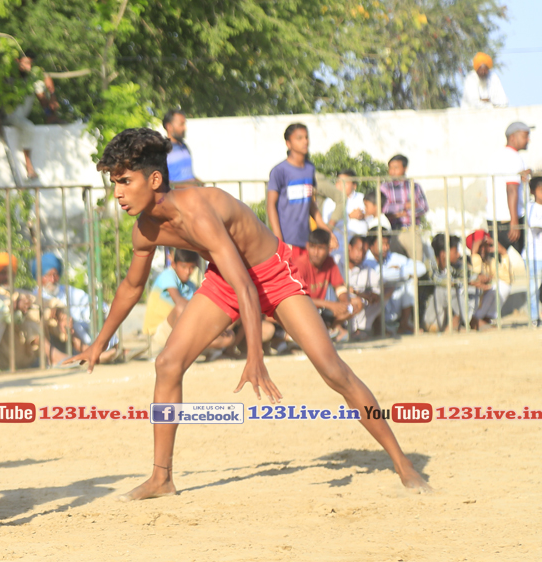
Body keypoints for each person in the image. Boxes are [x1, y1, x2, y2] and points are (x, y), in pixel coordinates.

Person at [66, 127, 430, 499]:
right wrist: (98, 343)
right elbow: (131, 287)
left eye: (125, 181)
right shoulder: (145, 230)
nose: (118, 192)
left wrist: (255, 355)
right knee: (168, 363)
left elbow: (247, 286)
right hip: (226, 279)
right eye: (114, 183)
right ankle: (162, 478)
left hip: (273, 275)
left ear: (154, 179)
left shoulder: (198, 212)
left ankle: (403, 463)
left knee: (333, 371)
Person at [34, 251, 121, 363]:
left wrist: (96, 312)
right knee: (67, 322)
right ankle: (91, 354)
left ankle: (116, 350)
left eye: (55, 275)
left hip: (82, 330)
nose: (52, 279)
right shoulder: (35, 295)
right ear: (39, 278)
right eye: (47, 276)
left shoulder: (66, 290)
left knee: (99, 314)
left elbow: (89, 301)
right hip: (61, 336)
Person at [295, 228, 363, 339]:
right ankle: (326, 332)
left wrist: (345, 303)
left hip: (320, 310)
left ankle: (331, 329)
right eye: (312, 247)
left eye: (320, 248)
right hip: (303, 311)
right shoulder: (300, 264)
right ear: (307, 246)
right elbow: (298, 298)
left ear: (328, 249)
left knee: (357, 303)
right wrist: (329, 305)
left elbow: (340, 288)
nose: (316, 252)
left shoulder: (329, 262)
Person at [266, 123, 319, 260]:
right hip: (287, 241)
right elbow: (271, 205)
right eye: (299, 138)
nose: (305, 141)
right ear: (288, 143)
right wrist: (279, 239)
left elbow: (310, 203)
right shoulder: (279, 171)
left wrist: (323, 227)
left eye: (306, 137)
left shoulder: (310, 169)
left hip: (306, 241)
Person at [5, 52, 56, 181]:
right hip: (8, 116)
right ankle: (29, 165)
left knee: (39, 83)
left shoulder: (31, 80)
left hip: (20, 118)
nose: (28, 67)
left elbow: (43, 90)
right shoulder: (9, 76)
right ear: (17, 61)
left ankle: (51, 116)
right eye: (26, 63)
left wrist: (52, 97)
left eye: (30, 64)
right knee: (29, 127)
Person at [485, 121, 530, 255]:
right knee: (513, 263)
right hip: (509, 221)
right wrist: (514, 222)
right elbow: (511, 190)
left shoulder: (499, 155)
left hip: (498, 218)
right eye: (525, 136)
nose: (528, 140)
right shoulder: (513, 158)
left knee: (501, 262)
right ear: (512, 138)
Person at [373, 231, 427, 335]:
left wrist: (401, 271)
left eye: (387, 244)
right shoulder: (367, 258)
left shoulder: (392, 257)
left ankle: (404, 324)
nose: (385, 248)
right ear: (371, 245)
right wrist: (398, 273)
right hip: (377, 305)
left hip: (393, 303)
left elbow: (421, 268)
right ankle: (378, 328)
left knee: (410, 283)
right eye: (381, 244)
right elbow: (379, 276)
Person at [466, 229, 511, 330]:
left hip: (480, 305)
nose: (483, 249)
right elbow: (476, 276)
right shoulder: (468, 261)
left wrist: (504, 253)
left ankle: (485, 319)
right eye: (480, 246)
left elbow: (507, 280)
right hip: (470, 306)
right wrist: (474, 254)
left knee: (502, 286)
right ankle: (474, 321)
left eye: (485, 246)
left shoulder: (489, 262)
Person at [345, 235, 383, 339]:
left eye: (365, 252)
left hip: (359, 309)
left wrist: (360, 293)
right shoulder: (338, 265)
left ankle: (360, 330)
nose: (361, 254)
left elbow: (377, 295)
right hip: (342, 306)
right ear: (349, 248)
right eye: (358, 250)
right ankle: (340, 329)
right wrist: (355, 293)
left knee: (384, 296)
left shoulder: (367, 270)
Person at [380, 154, 429, 231]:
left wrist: (406, 213)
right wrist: (405, 206)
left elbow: (424, 207)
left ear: (405, 168)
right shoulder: (385, 187)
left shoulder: (414, 186)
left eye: (396, 168)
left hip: (412, 230)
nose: (392, 171)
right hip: (392, 230)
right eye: (390, 168)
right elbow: (384, 209)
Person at [163, 109, 200, 187]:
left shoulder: (184, 147)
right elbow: (161, 182)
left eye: (184, 124)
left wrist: (198, 182)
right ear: (169, 127)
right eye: (181, 124)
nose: (184, 128)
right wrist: (185, 185)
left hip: (193, 192)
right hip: (176, 194)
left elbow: (187, 175)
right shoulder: (163, 150)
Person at [526, 177, 542, 327]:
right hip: (534, 256)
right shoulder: (530, 207)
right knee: (533, 288)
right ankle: (534, 318)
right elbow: (534, 224)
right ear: (533, 191)